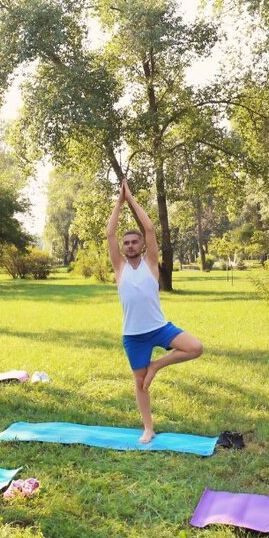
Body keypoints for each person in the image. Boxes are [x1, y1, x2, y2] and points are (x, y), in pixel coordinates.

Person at [106, 179, 203, 444]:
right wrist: (118, 201)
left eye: (134, 242)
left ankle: (157, 365)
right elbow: (110, 234)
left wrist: (131, 199)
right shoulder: (119, 268)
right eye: (126, 243)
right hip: (134, 336)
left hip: (159, 328)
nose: (129, 246)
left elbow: (149, 228)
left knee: (195, 347)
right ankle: (148, 428)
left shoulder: (150, 263)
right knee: (140, 384)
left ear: (142, 246)